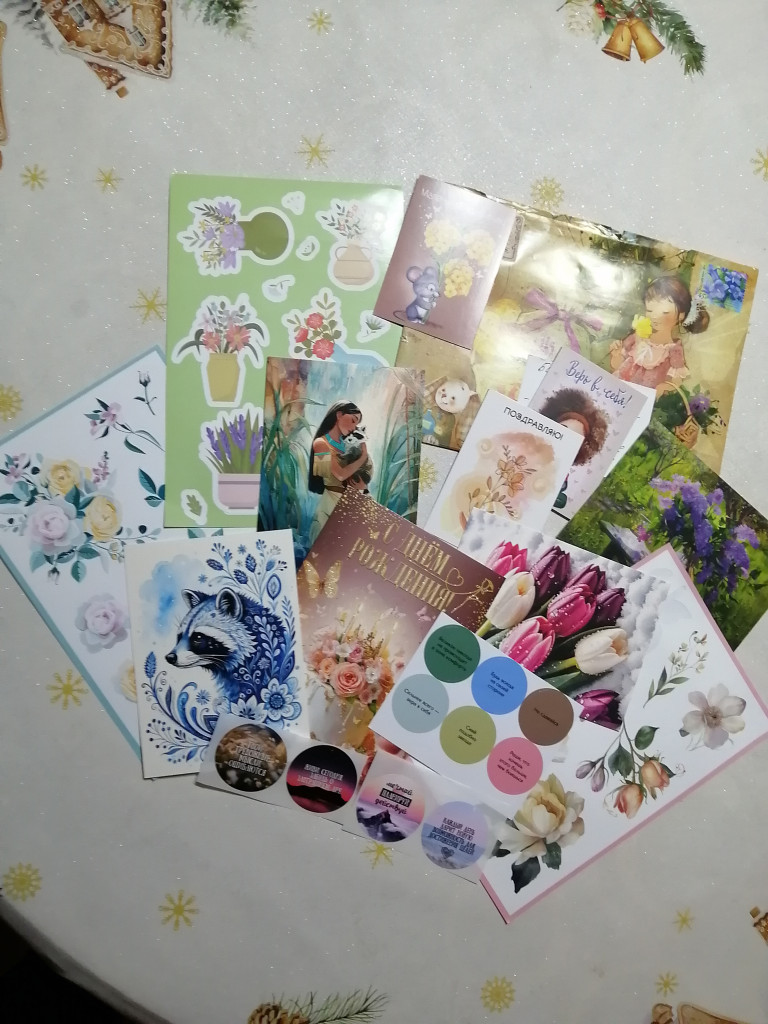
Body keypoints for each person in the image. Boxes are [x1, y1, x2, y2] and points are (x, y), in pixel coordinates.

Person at [609, 276, 710, 392]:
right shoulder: (636, 338)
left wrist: (663, 388)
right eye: (650, 311)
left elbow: (675, 381)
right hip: (617, 392)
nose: (654, 316)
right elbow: (617, 367)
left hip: (645, 398)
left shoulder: (673, 351)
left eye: (664, 312)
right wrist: (616, 355)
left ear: (681, 315)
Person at [308, 401, 371, 543]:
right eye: (353, 420)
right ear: (339, 415)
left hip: (351, 504)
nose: (354, 427)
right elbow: (340, 475)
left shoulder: (348, 444)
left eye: (357, 424)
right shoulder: (321, 444)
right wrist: (363, 457)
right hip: (330, 504)